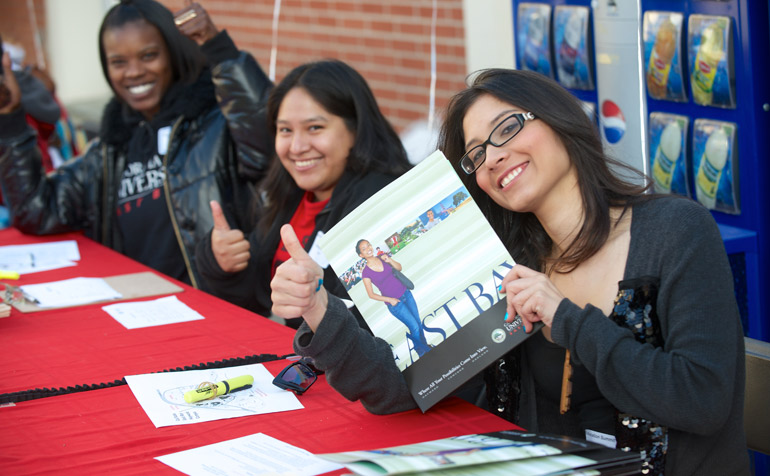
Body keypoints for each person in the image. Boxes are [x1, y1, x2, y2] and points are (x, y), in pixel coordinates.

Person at [270, 69, 749, 475]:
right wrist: (320, 310)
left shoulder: (674, 233)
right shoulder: (505, 262)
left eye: (507, 129)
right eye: (476, 154)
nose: (493, 157)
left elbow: (701, 400)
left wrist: (565, 319)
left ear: (561, 120)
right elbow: (406, 387)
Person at [0, 0, 272, 289]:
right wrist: (10, 120)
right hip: (135, 309)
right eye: (119, 62)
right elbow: (35, 210)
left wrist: (219, 49)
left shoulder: (218, 124)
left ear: (173, 53)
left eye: (148, 55)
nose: (133, 72)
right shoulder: (108, 151)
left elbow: (266, 145)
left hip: (215, 308)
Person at [195, 59, 411, 328]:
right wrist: (221, 262)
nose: (296, 147)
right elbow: (256, 299)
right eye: (285, 130)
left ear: (356, 129)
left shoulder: (383, 201)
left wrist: (317, 298)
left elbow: (377, 323)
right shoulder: (291, 196)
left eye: (314, 128)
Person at [355, 239, 430, 356]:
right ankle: (421, 352)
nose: (368, 248)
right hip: (396, 304)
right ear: (361, 255)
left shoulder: (382, 258)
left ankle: (426, 347)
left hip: (406, 293)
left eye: (368, 245)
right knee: (414, 327)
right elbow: (371, 294)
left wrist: (389, 260)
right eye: (364, 249)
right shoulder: (366, 273)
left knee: (418, 323)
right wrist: (390, 300)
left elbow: (399, 268)